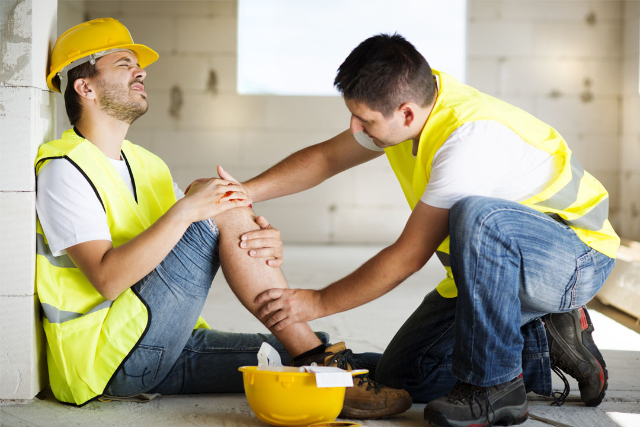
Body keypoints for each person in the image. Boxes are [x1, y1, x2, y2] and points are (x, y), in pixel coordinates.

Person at [36, 18, 412, 419]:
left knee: (363, 365)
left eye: (138, 64)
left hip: (164, 343)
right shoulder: (65, 168)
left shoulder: (147, 164)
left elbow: (199, 234)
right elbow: (108, 280)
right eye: (124, 63)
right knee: (220, 198)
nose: (140, 71)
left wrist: (257, 236)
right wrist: (198, 209)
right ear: (85, 87)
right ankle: (316, 357)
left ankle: (349, 365)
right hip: (108, 359)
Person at [239, 34, 619, 426]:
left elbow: (408, 256)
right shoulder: (412, 107)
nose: (355, 127)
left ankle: (495, 386)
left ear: (405, 113)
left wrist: (317, 302)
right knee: (404, 376)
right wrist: (244, 192)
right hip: (503, 274)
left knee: (479, 215)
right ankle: (544, 334)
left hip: (575, 258)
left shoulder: (467, 140)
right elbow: (326, 158)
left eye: (364, 120)